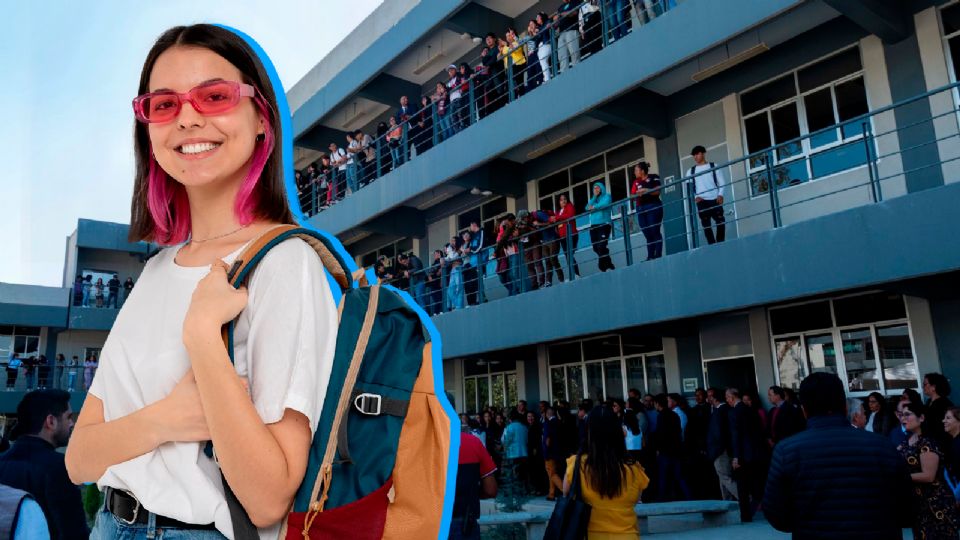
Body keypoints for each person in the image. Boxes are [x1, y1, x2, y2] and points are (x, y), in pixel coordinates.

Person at [64, 25, 338, 539]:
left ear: (261, 118)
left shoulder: (286, 261)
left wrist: (202, 340)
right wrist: (168, 418)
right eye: (163, 105)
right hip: (108, 525)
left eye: (214, 96)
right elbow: (80, 459)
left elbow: (268, 498)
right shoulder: (155, 271)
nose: (188, 117)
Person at [763, 372, 913, 538]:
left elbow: (776, 513)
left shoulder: (786, 451)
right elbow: (908, 507)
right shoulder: (883, 446)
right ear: (845, 407)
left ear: (804, 410)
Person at [0, 390, 88, 538]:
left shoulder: (2, 462)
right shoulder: (59, 468)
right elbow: (74, 533)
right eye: (68, 417)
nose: (72, 423)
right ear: (51, 422)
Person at [563, 406, 649, 539]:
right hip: (627, 535)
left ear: (588, 432)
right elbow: (637, 498)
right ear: (618, 432)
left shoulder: (576, 464)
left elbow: (566, 493)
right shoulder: (633, 467)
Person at [897, 401, 960, 538]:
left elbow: (929, 475)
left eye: (907, 415)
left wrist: (901, 476)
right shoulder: (905, 442)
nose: (903, 419)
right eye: (901, 415)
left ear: (921, 418)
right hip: (917, 504)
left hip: (935, 503)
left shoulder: (927, 442)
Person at [726, 387, 766, 522]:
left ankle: (746, 515)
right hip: (757, 453)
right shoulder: (751, 410)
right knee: (757, 484)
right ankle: (757, 507)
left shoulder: (734, 413)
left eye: (727, 398)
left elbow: (736, 436)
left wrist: (736, 457)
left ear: (731, 397)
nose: (727, 401)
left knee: (742, 486)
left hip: (743, 454)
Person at [450, 430, 497, 540]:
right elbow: (491, 490)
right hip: (465, 523)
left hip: (431, 524)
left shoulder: (421, 445)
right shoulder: (473, 442)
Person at [653, 394, 689, 501]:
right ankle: (689, 497)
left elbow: (661, 434)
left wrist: (658, 448)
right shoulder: (674, 415)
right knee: (679, 476)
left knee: (663, 476)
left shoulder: (661, 416)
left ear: (658, 404)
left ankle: (662, 498)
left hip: (666, 451)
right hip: (676, 449)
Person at [688, 145, 727, 244]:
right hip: (702, 201)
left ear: (703, 153)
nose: (695, 157)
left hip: (715, 199)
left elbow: (722, 182)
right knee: (706, 225)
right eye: (694, 155)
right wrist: (696, 197)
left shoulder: (713, 166)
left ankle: (720, 243)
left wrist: (720, 194)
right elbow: (689, 188)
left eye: (697, 154)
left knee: (720, 221)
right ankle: (712, 245)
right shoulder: (690, 171)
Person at [631, 162, 663, 260]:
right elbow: (632, 196)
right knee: (647, 233)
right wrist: (637, 194)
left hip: (653, 206)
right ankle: (650, 256)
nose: (635, 172)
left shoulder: (654, 177)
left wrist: (646, 190)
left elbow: (658, 190)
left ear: (642, 171)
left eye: (636, 170)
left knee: (654, 231)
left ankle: (657, 256)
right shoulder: (636, 182)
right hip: (641, 208)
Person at [585, 182, 615, 272]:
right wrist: (594, 197)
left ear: (602, 188)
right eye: (594, 188)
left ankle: (603, 266)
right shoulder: (594, 199)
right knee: (595, 247)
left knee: (601, 246)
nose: (596, 190)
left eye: (598, 188)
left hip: (604, 224)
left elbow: (604, 204)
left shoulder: (607, 196)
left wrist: (594, 207)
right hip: (594, 225)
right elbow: (586, 207)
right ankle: (608, 264)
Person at [501, 410, 529, 495]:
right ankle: (523, 491)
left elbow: (506, 441)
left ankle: (513, 491)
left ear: (510, 418)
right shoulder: (524, 427)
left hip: (513, 454)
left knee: (513, 474)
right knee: (522, 474)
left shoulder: (509, 427)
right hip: (524, 453)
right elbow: (526, 440)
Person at [923, 372, 954, 449]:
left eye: (925, 384)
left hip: (941, 445)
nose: (922, 387)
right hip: (930, 443)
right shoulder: (929, 402)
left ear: (933, 387)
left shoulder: (945, 404)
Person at [553, 193, 580, 278]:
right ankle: (574, 274)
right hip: (563, 237)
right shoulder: (557, 211)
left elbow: (570, 215)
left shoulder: (569, 206)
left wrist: (557, 218)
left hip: (571, 235)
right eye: (561, 200)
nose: (563, 201)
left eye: (564, 199)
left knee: (569, 255)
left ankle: (576, 274)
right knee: (567, 256)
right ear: (558, 202)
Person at [542, 406, 565, 500]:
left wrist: (546, 452)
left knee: (552, 474)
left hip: (550, 452)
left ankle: (565, 490)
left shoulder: (548, 423)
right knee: (551, 472)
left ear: (547, 414)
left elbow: (547, 439)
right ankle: (551, 493)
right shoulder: (560, 422)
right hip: (558, 452)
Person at [554, 2, 581, 74]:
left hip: (572, 30)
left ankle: (577, 71)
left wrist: (561, 14)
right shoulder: (560, 7)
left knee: (574, 53)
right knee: (562, 57)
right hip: (562, 33)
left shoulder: (574, 2)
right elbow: (556, 23)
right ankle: (564, 75)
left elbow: (574, 12)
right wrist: (554, 21)